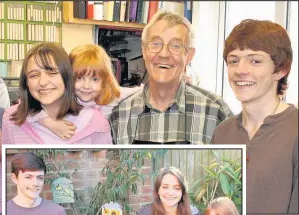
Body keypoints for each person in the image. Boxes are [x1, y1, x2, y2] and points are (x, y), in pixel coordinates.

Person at [211, 19, 298, 214]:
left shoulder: (294, 129)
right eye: (233, 60)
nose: (240, 70)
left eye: (255, 61)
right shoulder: (222, 133)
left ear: (281, 70)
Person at [110, 11, 233, 144]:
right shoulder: (119, 116)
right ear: (144, 50)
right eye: (156, 44)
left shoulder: (216, 112)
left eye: (176, 46)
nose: (164, 54)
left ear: (189, 55)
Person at [1, 42, 112, 144]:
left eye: (52, 73)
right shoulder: (11, 119)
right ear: (26, 82)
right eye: (34, 75)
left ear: (67, 76)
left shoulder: (96, 122)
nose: (43, 82)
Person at [37, 44, 143, 139]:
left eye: (95, 79)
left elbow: (140, 90)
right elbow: (25, 108)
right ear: (68, 77)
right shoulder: (63, 95)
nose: (86, 86)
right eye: (79, 78)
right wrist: (51, 125)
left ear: (105, 80)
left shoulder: (111, 95)